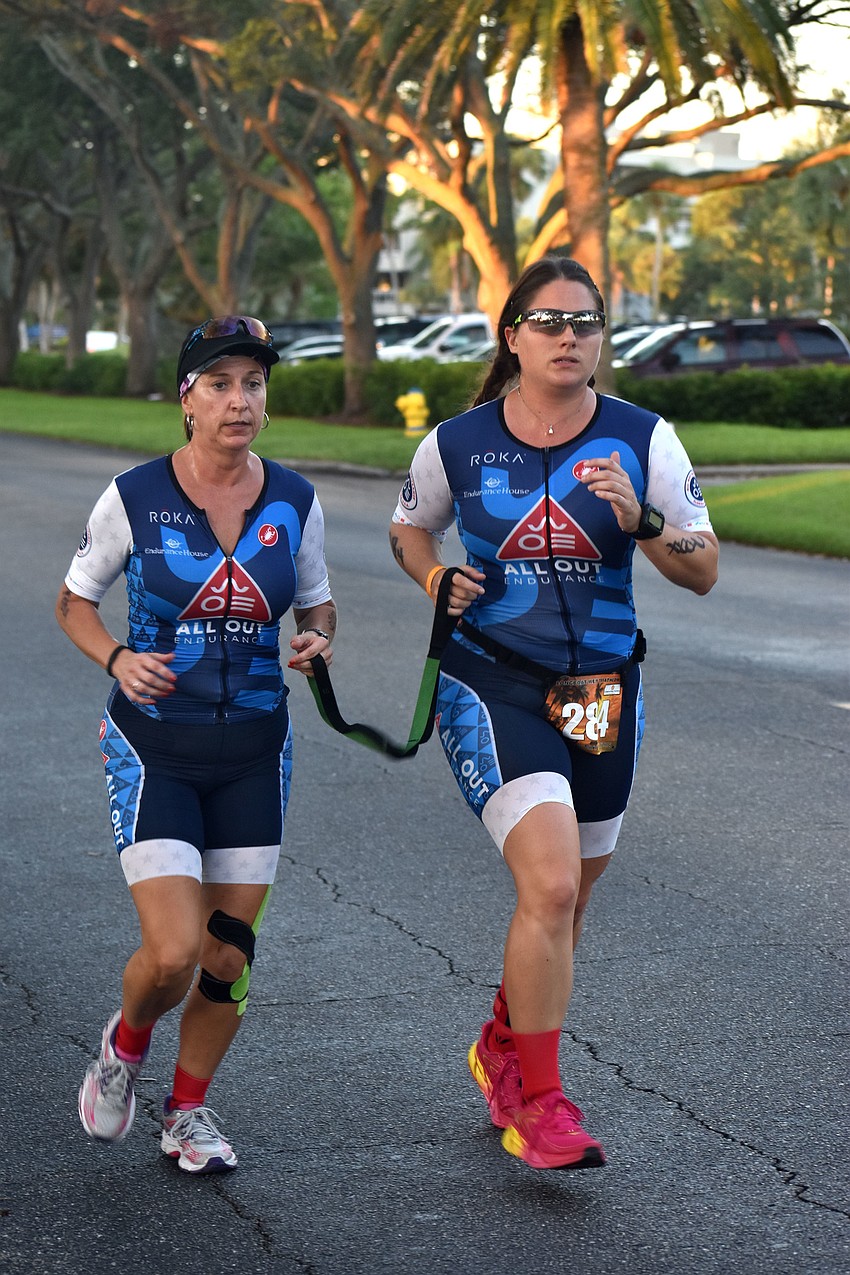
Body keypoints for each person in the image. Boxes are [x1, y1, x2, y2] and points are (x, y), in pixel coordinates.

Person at [389, 256, 718, 1171]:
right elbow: (410, 525)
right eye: (549, 322)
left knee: (571, 904)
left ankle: (503, 1037)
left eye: (585, 322)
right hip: (494, 679)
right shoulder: (456, 442)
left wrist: (645, 525)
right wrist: (432, 575)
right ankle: (540, 1101)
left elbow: (703, 566)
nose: (569, 336)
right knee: (553, 885)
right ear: (513, 336)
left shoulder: (644, 437)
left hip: (603, 693)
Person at [56, 315, 337, 1174]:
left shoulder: (293, 499)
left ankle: (188, 1110)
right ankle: (124, 1043)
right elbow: (74, 601)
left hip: (256, 747)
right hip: (156, 748)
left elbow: (315, 603)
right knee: (174, 949)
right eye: (219, 384)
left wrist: (318, 638)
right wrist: (117, 655)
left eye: (253, 383)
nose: (240, 400)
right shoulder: (134, 496)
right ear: (186, 400)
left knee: (227, 954)